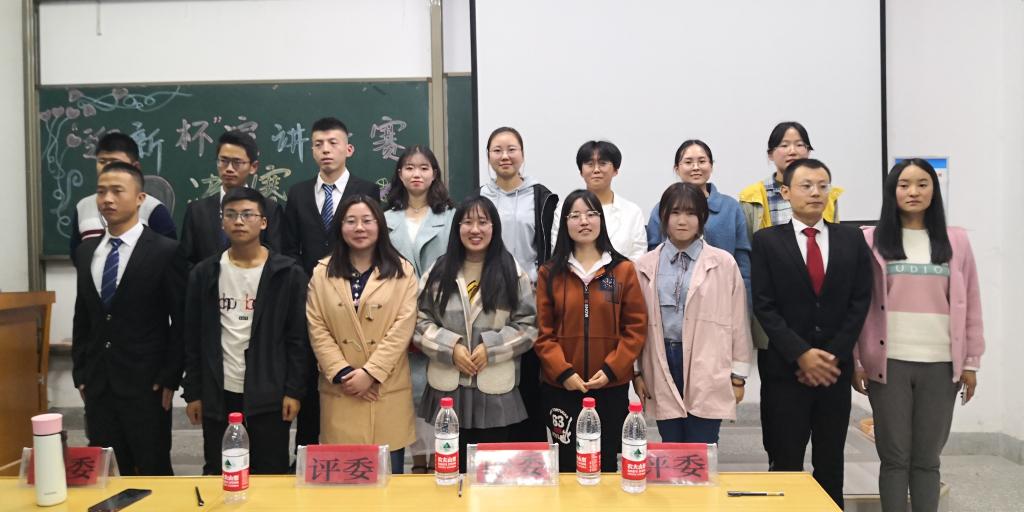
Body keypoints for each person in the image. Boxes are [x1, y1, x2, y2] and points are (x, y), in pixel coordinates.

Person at [852, 159, 984, 512]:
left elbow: (971, 302)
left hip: (941, 364)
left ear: (933, 190)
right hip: (888, 364)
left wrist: (971, 362)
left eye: (923, 184)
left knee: (927, 459)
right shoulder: (870, 240)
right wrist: (857, 361)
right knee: (894, 458)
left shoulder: (957, 241)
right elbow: (859, 305)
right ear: (892, 191)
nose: (913, 191)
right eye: (904, 184)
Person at [750, 158, 872, 508]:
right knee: (786, 462)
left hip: (834, 371)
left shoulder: (852, 239)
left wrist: (832, 355)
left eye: (822, 185)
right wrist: (801, 354)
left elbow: (860, 301)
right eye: (806, 185)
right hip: (785, 371)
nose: (816, 192)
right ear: (785, 192)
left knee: (831, 462)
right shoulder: (767, 241)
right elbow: (764, 305)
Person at [182, 187, 310, 475]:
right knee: (220, 469)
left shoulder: (287, 273)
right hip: (219, 390)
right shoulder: (204, 273)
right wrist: (193, 393)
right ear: (222, 222)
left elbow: (298, 339)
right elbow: (192, 337)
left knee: (270, 471)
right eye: (231, 215)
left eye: (247, 215)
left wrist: (294, 391)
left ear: (263, 222)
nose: (238, 221)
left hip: (270, 391)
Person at [71, 162, 186, 475]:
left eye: (117, 191)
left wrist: (170, 376)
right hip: (98, 384)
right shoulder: (86, 252)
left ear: (139, 198)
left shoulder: (165, 250)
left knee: (153, 470)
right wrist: (80, 371)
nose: (107, 199)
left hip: (147, 385)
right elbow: (83, 316)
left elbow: (181, 321)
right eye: (101, 192)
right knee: (106, 472)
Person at [415, 196, 537, 472]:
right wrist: (451, 348)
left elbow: (528, 325)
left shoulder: (511, 271)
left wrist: (490, 349)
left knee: (491, 473)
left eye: (483, 222)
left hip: (494, 389)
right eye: (467, 222)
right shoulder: (438, 270)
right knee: (449, 471)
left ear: (494, 227)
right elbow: (419, 322)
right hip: (448, 387)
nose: (475, 229)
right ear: (457, 227)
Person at [283, 116, 381, 451]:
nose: (325, 150)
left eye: (333, 143)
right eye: (318, 144)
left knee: (351, 376)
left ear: (348, 149)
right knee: (310, 379)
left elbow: (373, 243)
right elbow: (289, 248)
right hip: (311, 300)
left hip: (356, 301)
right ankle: (308, 454)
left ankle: (352, 451)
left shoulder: (368, 191)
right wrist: (308, 288)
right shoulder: (297, 193)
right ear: (311, 150)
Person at [534, 189, 647, 473]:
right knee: (567, 465)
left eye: (591, 214)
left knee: (606, 463)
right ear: (565, 223)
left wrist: (611, 369)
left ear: (601, 220)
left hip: (609, 387)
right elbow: (542, 332)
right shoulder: (550, 273)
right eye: (575, 215)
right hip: (562, 388)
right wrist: (564, 372)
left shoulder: (621, 270)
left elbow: (635, 328)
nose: (583, 221)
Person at [306, 195, 419, 474]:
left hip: (385, 390)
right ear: (340, 227)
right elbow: (317, 327)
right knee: (344, 484)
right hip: (341, 391)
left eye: (367, 221)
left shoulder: (403, 271)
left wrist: (370, 374)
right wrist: (345, 373)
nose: (359, 228)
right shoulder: (322, 272)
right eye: (351, 221)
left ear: (379, 225)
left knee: (389, 483)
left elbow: (402, 329)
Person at [633, 183, 751, 444]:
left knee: (703, 443)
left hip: (708, 359)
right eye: (675, 212)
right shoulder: (644, 265)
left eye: (690, 213)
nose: (682, 221)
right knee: (671, 441)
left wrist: (738, 377)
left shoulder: (723, 263)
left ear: (702, 217)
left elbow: (738, 322)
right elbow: (633, 324)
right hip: (662, 359)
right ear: (663, 217)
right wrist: (636, 372)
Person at [478, 126, 557, 442]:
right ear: (488, 156)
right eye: (497, 150)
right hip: (488, 301)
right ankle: (494, 447)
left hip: (531, 301)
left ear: (522, 154)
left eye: (511, 149)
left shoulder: (542, 197)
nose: (505, 156)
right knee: (493, 372)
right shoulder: (479, 198)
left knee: (528, 377)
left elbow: (549, 251)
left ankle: (530, 452)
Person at [383, 145, 455, 473]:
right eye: (410, 168)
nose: (417, 174)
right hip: (395, 317)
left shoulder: (450, 217)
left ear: (434, 174)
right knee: (406, 393)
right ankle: (418, 464)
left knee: (438, 391)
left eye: (424, 168)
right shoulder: (385, 219)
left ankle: (440, 462)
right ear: (399, 174)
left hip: (440, 317)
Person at [739, 122, 843, 350]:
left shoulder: (826, 195)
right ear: (770, 154)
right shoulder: (752, 197)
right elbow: (748, 259)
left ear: (809, 151)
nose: (792, 151)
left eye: (799, 144)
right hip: (773, 304)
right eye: (784, 145)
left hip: (819, 303)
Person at [645, 140, 750, 295]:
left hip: (721, 294)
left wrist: (744, 301)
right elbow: (653, 255)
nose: (696, 167)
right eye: (688, 162)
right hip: (672, 295)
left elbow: (742, 263)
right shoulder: (662, 208)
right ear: (677, 168)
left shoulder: (730, 208)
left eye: (702, 161)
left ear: (711, 166)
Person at [179, 130, 285, 267]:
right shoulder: (197, 211)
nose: (229, 168)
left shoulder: (269, 209)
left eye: (237, 162)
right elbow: (185, 262)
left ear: (253, 167)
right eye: (223, 161)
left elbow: (276, 259)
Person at [70, 132, 176, 266]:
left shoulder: (153, 209)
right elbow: (78, 257)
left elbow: (168, 258)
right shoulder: (83, 207)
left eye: (115, 162)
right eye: (102, 162)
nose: (107, 167)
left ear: (135, 167)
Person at [550, 141, 646, 260]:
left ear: (615, 170)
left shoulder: (632, 211)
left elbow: (639, 255)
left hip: (623, 272)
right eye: (590, 164)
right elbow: (559, 250)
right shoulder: (564, 208)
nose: (596, 170)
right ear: (581, 171)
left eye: (603, 163)